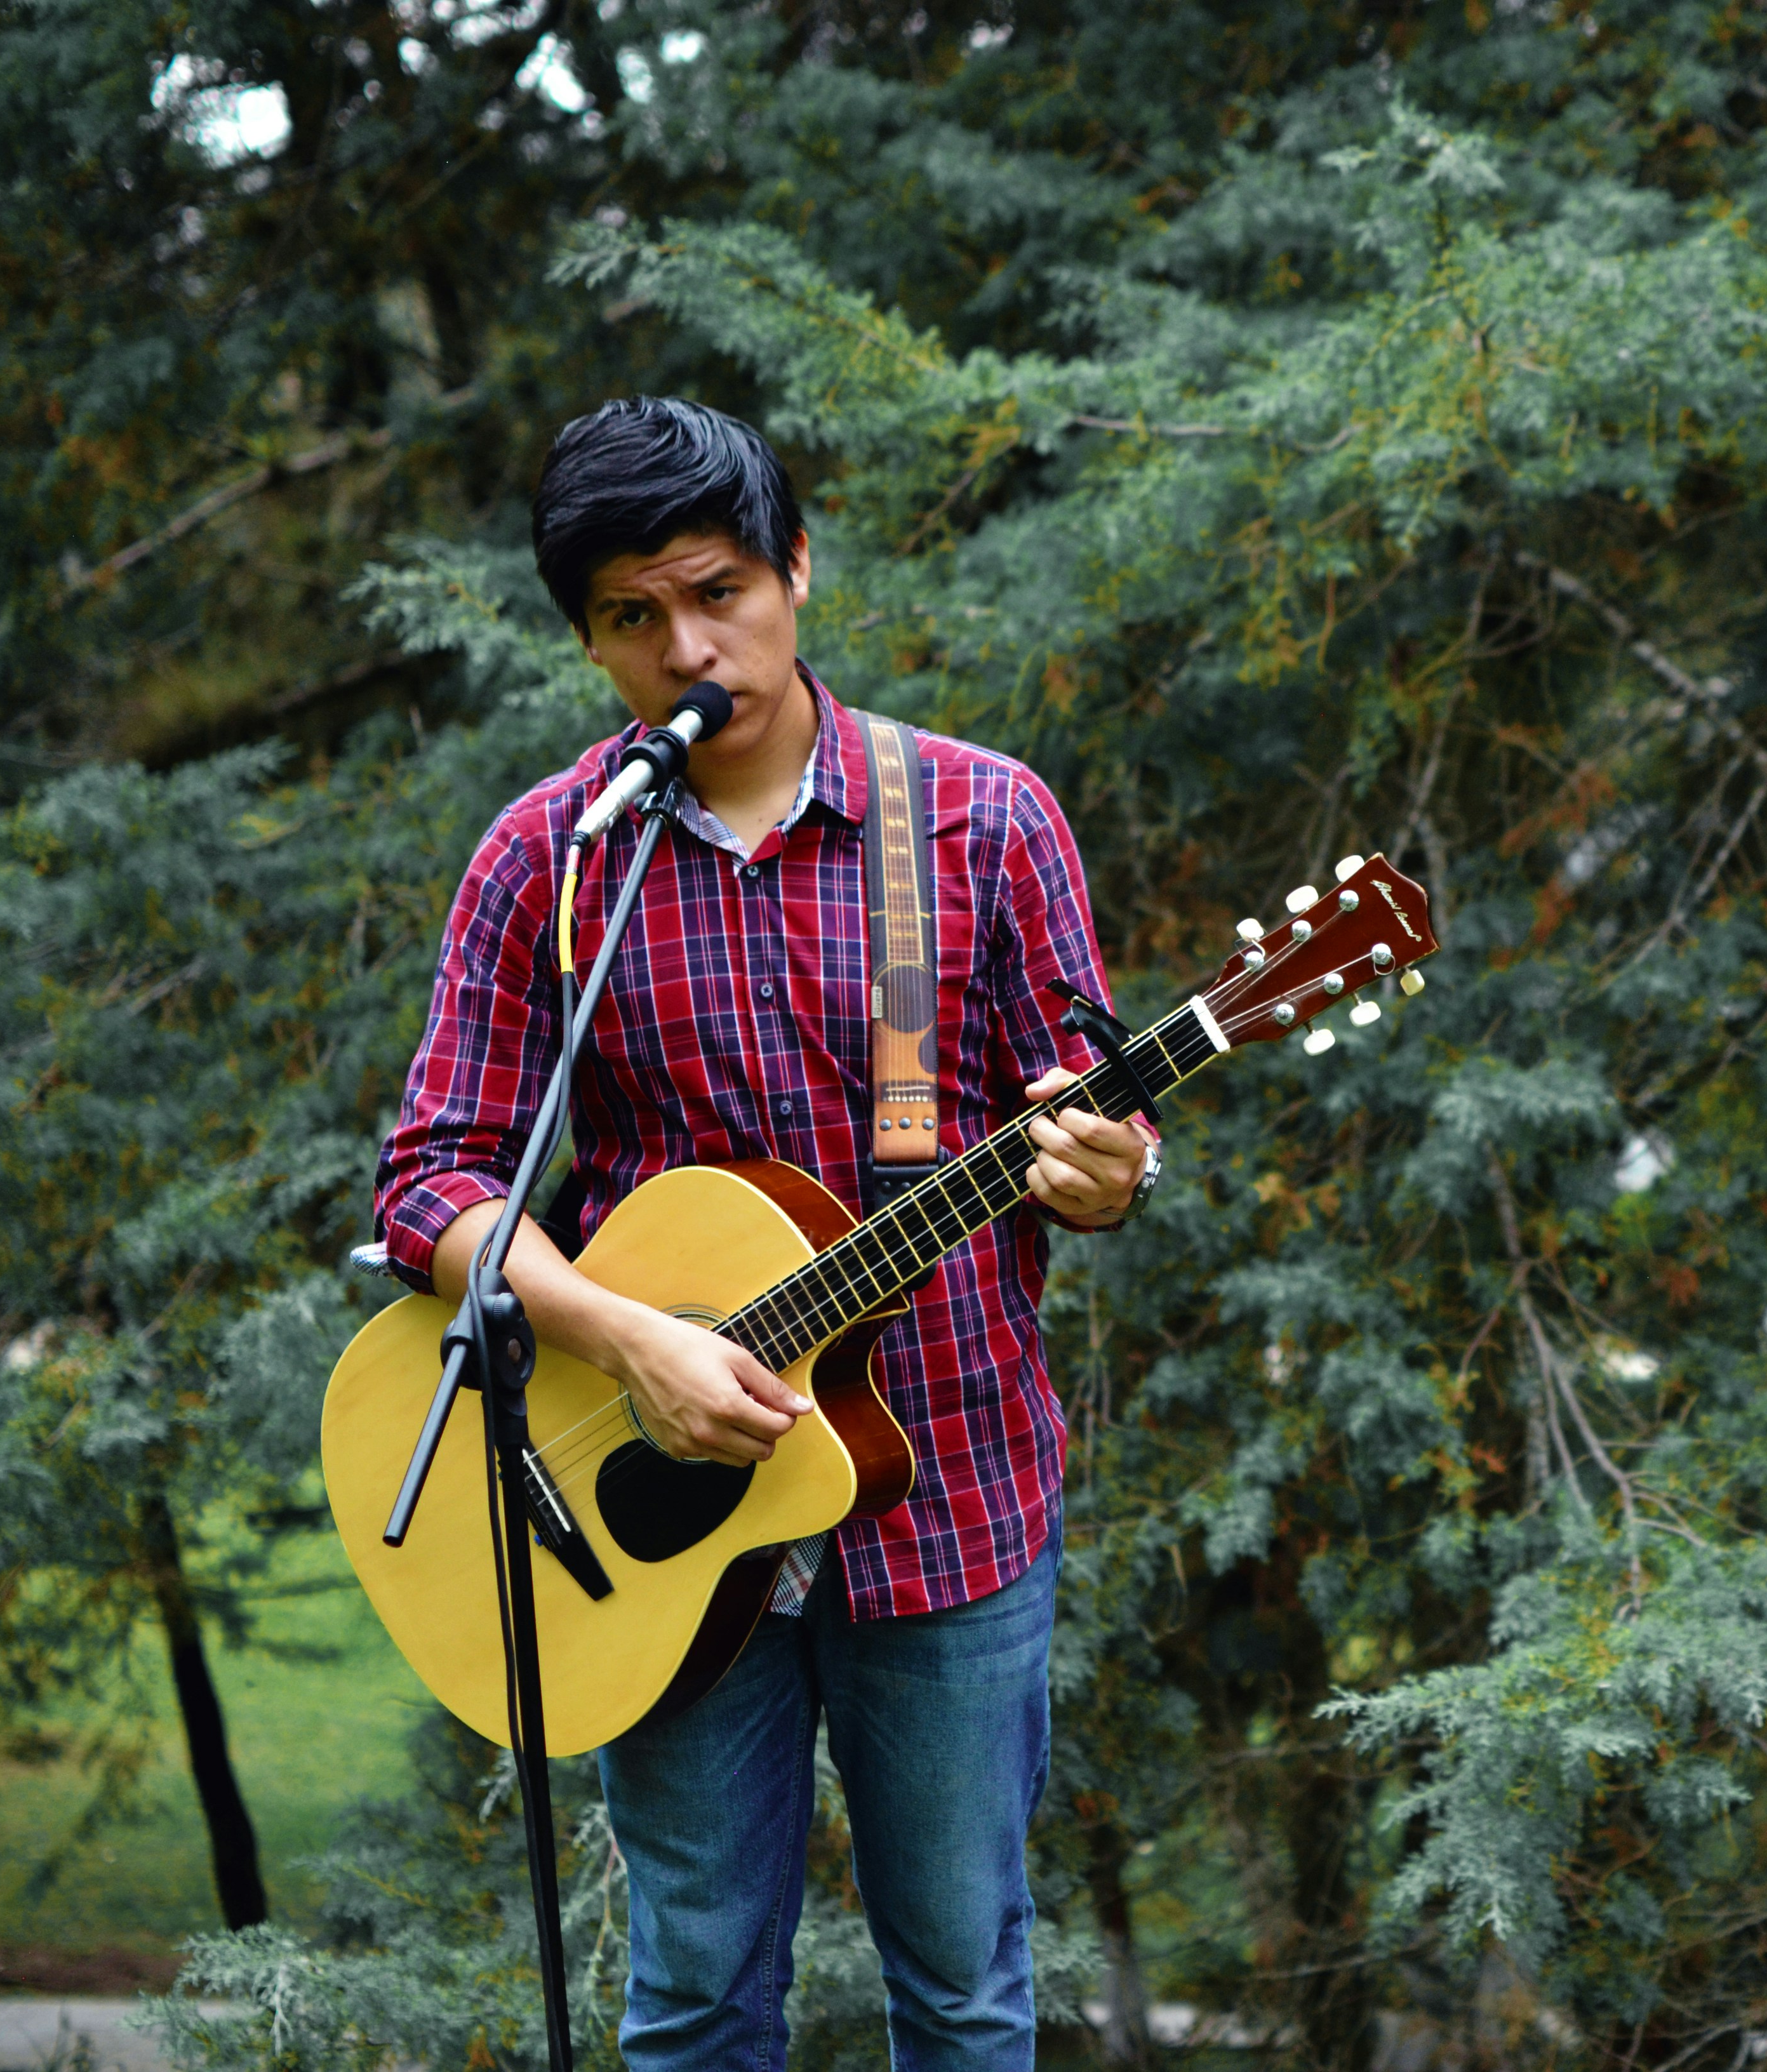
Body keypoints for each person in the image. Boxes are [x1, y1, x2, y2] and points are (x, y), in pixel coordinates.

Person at [372, 395, 1150, 2069]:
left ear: (799, 569)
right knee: (695, 2006)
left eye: (718, 590)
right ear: (589, 641)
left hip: (943, 1499)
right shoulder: (551, 863)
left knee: (961, 1999)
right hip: (647, 1535)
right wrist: (627, 1342)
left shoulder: (980, 824)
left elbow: (1088, 1100)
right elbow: (435, 1180)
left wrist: (1109, 1165)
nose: (687, 648)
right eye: (631, 619)